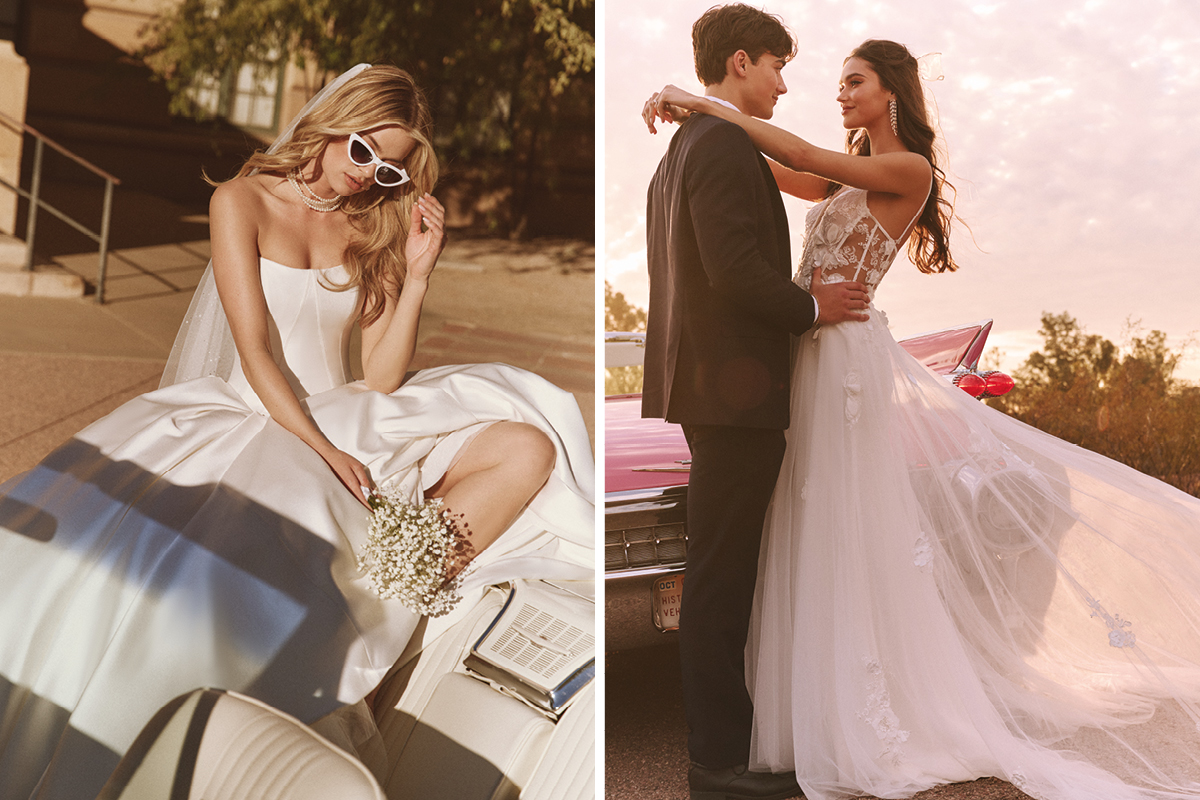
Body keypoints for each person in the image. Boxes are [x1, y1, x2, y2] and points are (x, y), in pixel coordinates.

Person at [0, 64, 594, 800]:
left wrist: (416, 275)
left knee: (528, 438)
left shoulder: (369, 222)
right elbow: (253, 347)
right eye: (362, 152)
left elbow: (379, 374)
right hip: (261, 412)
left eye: (388, 168)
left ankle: (402, 583)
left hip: (347, 409)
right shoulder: (239, 201)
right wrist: (322, 452)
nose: (368, 176)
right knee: (228, 560)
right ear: (331, 122)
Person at [645, 38, 1200, 800]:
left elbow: (796, 149)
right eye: (837, 82)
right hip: (805, 352)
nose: (839, 93)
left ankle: (856, 712)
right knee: (794, 527)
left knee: (843, 521)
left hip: (843, 359)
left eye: (853, 82)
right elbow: (764, 160)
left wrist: (701, 102)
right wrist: (697, 117)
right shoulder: (831, 178)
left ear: (892, 93)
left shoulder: (906, 170)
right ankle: (793, 712)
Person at [641, 6, 870, 800]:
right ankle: (718, 765)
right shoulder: (720, 143)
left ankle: (726, 753)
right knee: (719, 580)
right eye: (777, 67)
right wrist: (814, 309)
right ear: (741, 62)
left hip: (712, 392)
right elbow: (733, 268)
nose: (783, 82)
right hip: (733, 397)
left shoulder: (686, 147)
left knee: (724, 575)